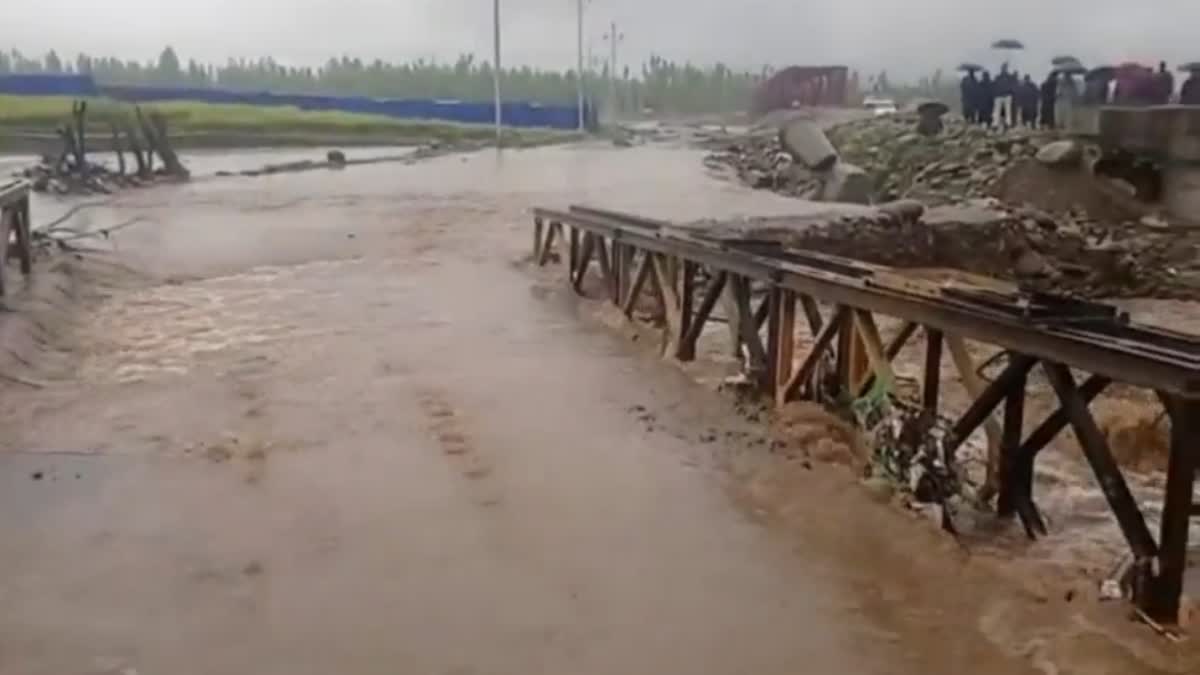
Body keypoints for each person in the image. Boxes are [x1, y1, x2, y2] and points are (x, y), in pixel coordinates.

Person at [993, 64, 1017, 129]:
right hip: (1001, 96)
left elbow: (1013, 83)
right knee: (999, 110)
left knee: (1006, 110)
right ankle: (996, 124)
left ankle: (1007, 124)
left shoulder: (1001, 77)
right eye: (1003, 68)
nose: (1004, 69)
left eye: (1004, 68)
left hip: (1005, 95)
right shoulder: (1000, 77)